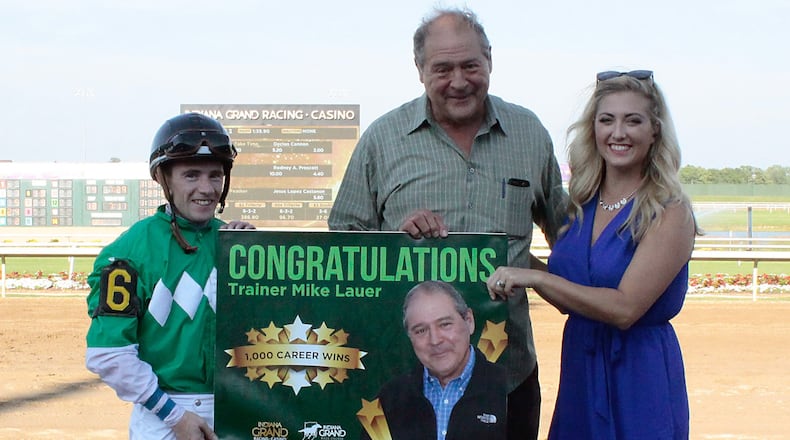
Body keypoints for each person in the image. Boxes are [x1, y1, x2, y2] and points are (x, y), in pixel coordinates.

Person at [329, 8, 566, 439]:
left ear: (489, 60)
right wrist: (394, 240)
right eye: (443, 69)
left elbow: (566, 234)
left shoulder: (530, 133)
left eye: (470, 65)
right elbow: (343, 242)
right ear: (420, 70)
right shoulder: (383, 139)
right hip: (409, 383)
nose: (459, 81)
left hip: (509, 374)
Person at [487, 70, 699, 438]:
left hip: (637, 377)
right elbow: (571, 297)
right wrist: (504, 255)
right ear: (593, 129)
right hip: (581, 370)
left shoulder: (670, 211)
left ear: (655, 131)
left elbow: (624, 309)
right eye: (607, 120)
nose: (618, 132)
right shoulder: (583, 203)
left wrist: (534, 276)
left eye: (633, 121)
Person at [85, 112, 255, 440]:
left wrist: (259, 258)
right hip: (164, 415)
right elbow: (107, 354)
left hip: (239, 410)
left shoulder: (235, 245)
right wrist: (174, 416)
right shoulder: (130, 251)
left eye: (215, 175)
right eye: (191, 175)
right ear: (165, 179)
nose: (207, 189)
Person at [361, 281, 507, 440]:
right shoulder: (389, 399)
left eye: (445, 324)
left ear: (469, 321)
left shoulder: (508, 389)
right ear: (409, 337)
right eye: (421, 330)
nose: (435, 340)